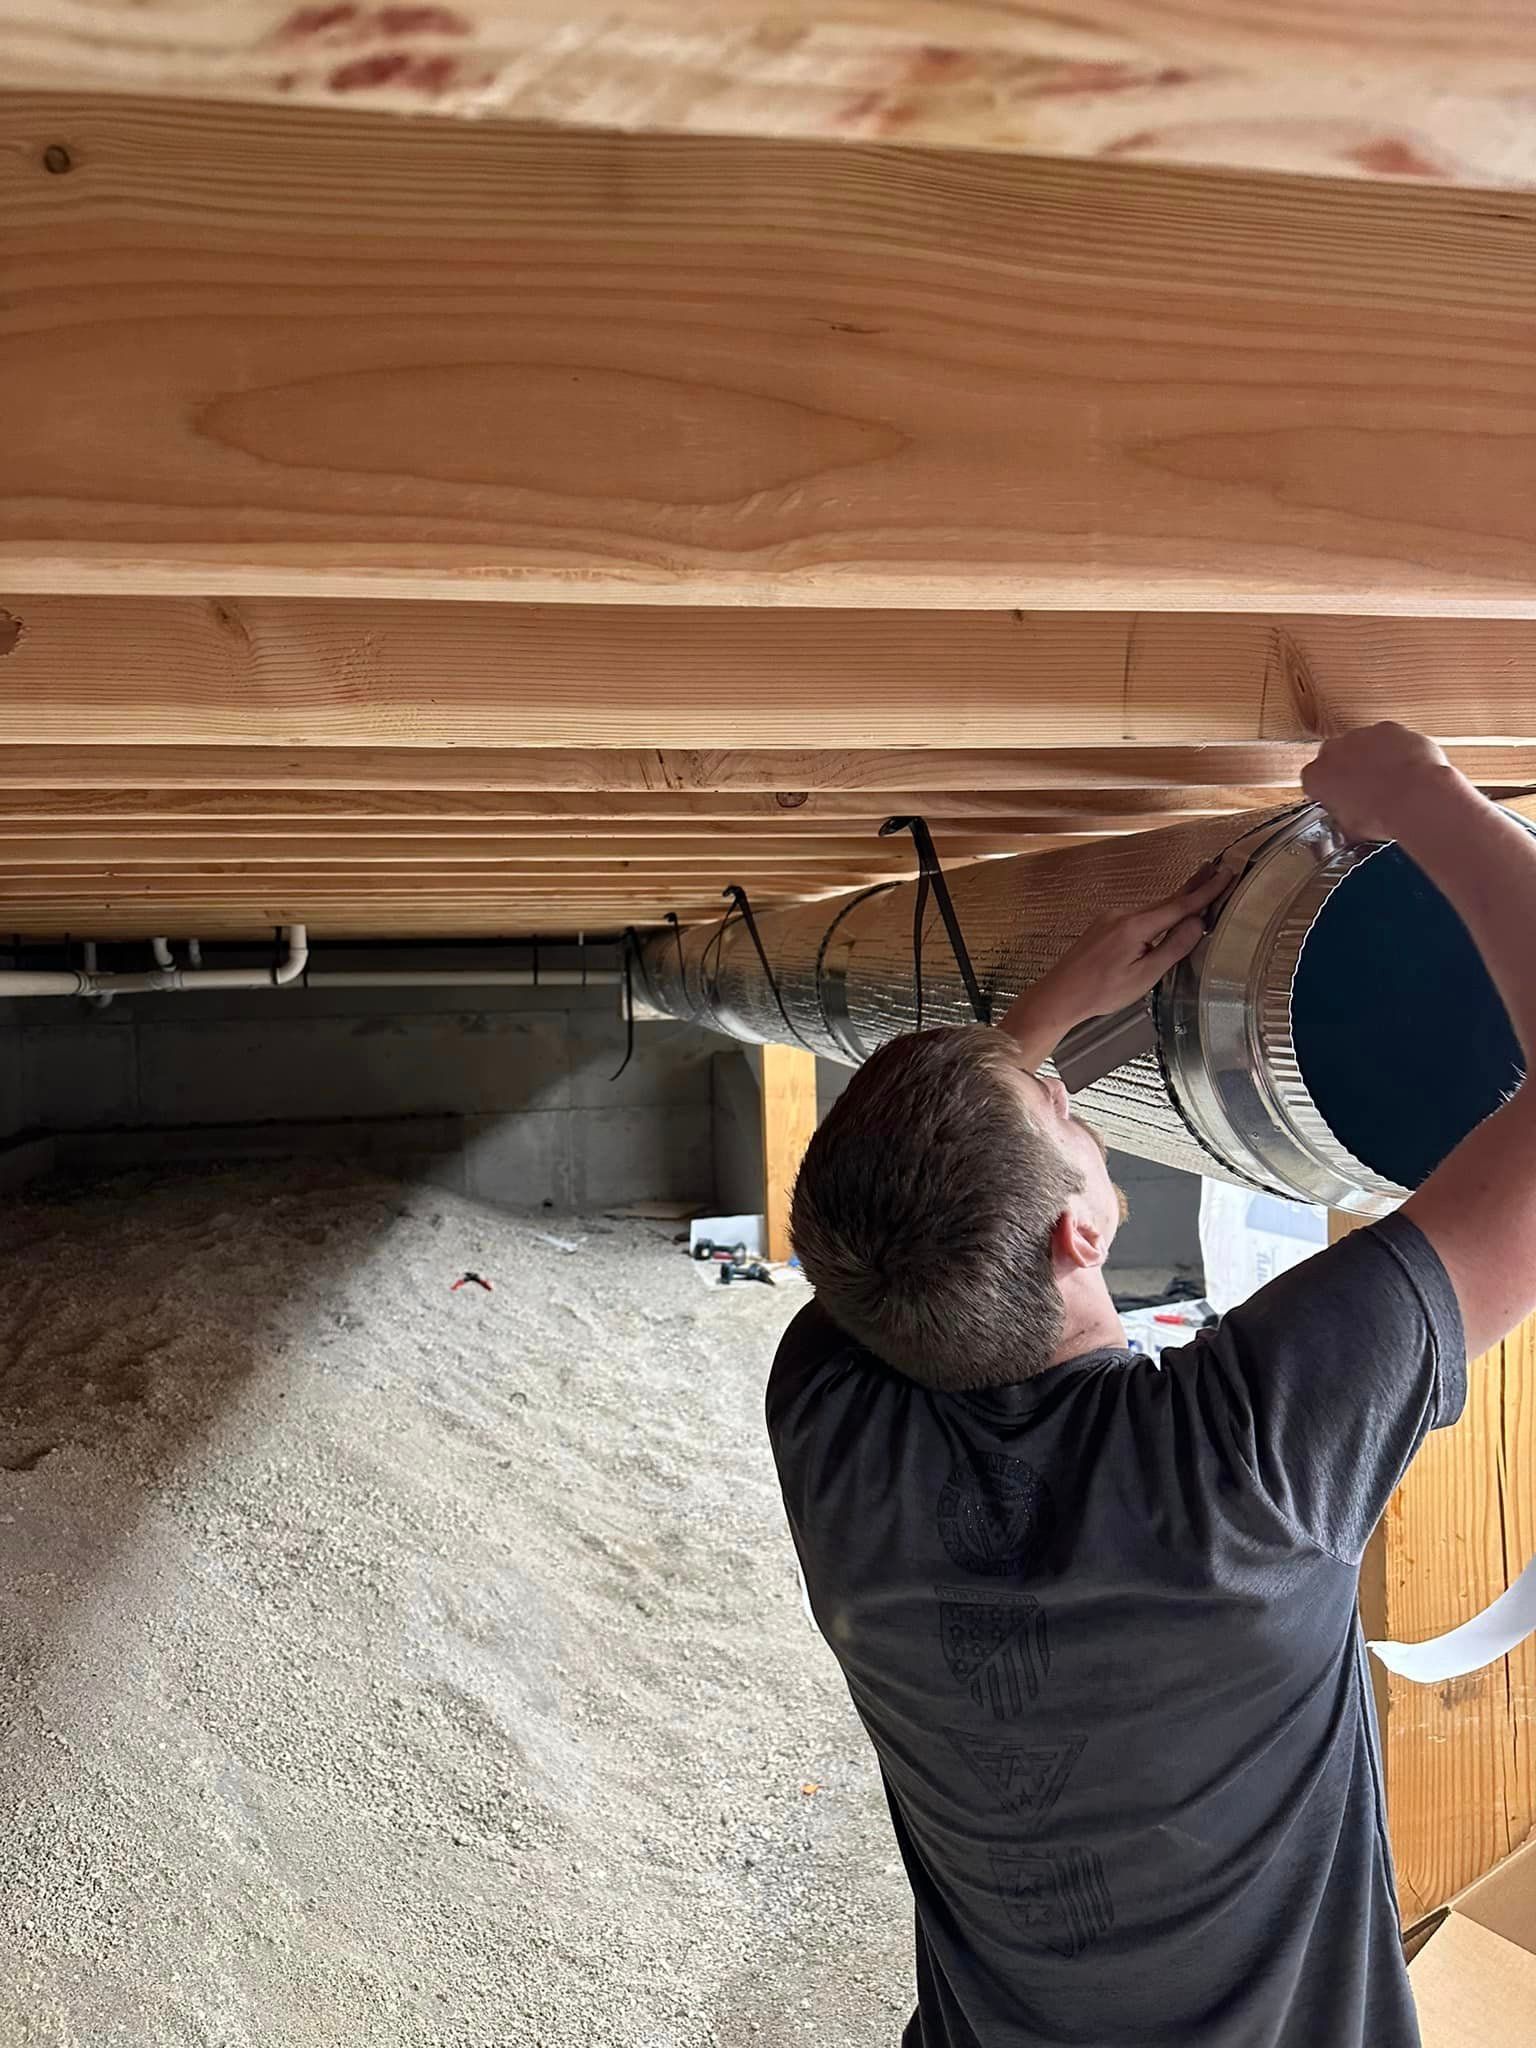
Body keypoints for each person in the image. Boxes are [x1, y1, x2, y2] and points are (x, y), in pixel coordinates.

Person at [768, 723, 1536, 2048]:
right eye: (1066, 1110)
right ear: (1081, 1232)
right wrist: (1420, 795)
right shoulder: (1244, 1463)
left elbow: (912, 1209)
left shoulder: (835, 1421)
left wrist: (1028, 1045)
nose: (1073, 1098)